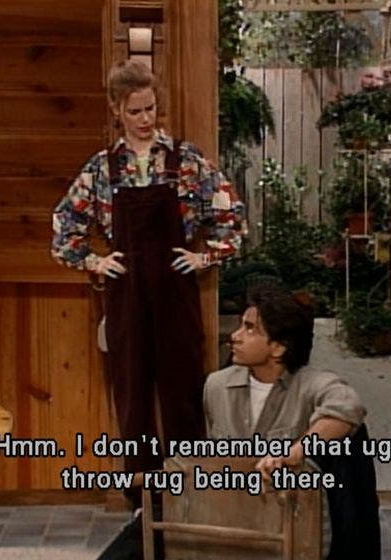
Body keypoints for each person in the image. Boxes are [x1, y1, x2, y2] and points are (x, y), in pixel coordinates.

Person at [51, 60, 245, 488]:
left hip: (176, 290)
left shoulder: (186, 161)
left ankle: (189, 491)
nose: (144, 119)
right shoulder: (101, 169)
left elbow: (231, 216)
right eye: (135, 111)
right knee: (132, 396)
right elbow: (64, 229)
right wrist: (97, 262)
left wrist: (205, 258)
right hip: (126, 294)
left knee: (183, 393)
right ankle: (142, 500)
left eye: (150, 109)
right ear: (116, 110)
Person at [203, 287, 381, 560]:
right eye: (240, 325)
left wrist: (297, 450)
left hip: (295, 518)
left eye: (249, 329)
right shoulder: (216, 386)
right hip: (237, 515)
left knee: (351, 443)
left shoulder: (313, 383)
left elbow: (348, 408)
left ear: (279, 347)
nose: (235, 336)